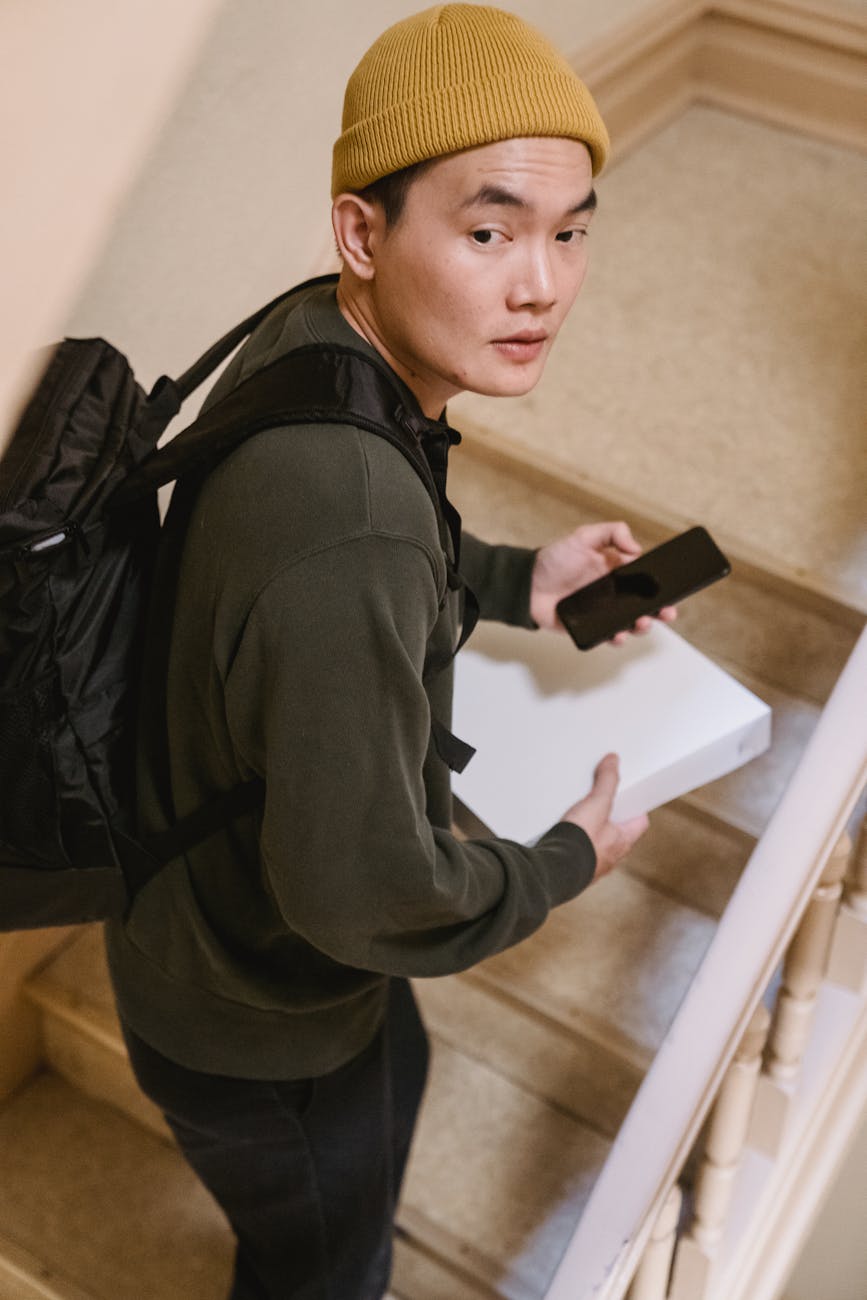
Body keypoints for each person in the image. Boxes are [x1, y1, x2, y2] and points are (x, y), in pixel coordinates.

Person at [105, 5, 673, 1297]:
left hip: (215, 933)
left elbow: (388, 552)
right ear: (364, 231)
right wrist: (564, 860)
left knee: (389, 1083)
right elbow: (366, 896)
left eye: (570, 232)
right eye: (489, 232)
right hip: (256, 1024)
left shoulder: (318, 339)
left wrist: (526, 580)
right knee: (324, 1267)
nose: (543, 283)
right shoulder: (346, 518)